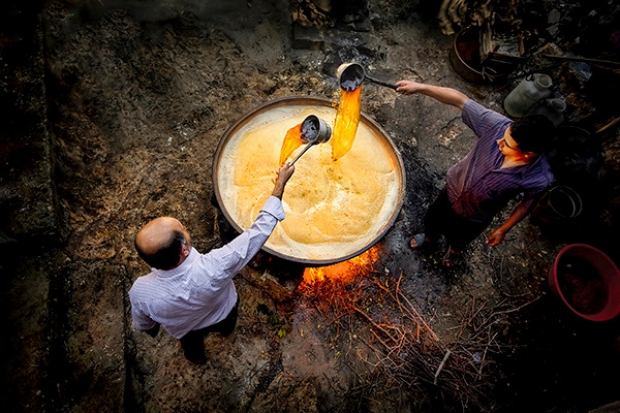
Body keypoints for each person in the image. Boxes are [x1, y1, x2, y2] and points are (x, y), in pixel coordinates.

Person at [129, 163, 295, 363]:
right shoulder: (215, 266)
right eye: (184, 228)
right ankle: (225, 332)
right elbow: (258, 232)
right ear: (184, 250)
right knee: (227, 326)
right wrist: (280, 183)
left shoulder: (140, 292)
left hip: (186, 330)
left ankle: (197, 359)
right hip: (222, 313)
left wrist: (152, 328)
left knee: (191, 348)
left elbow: (144, 324)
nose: (186, 227)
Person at [395, 80, 555, 268]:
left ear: (528, 154)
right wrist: (421, 87)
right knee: (432, 219)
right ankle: (429, 239)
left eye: (507, 144)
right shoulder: (498, 126)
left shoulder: (539, 178)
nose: (499, 143)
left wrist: (504, 229)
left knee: (461, 238)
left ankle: (454, 252)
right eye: (504, 137)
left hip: (475, 215)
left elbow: (526, 204)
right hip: (450, 192)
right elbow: (461, 100)